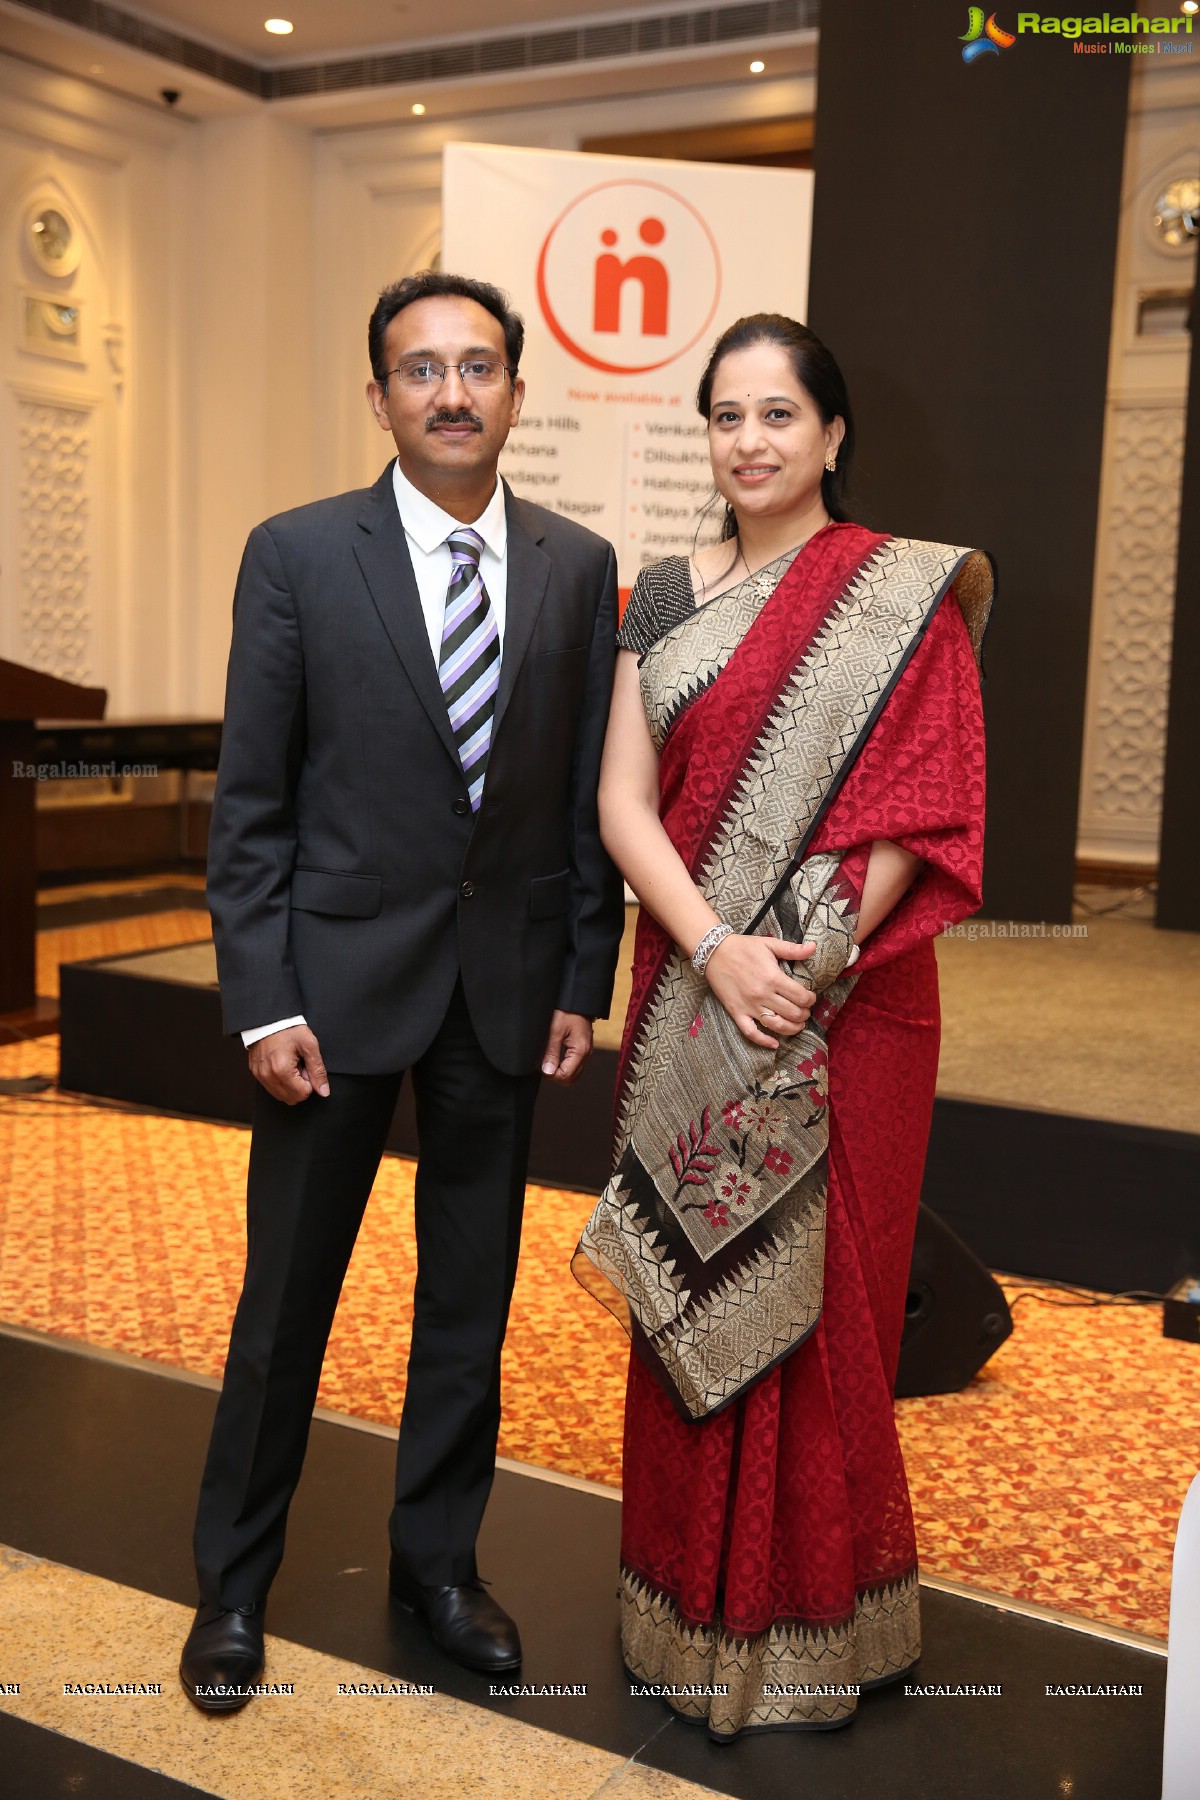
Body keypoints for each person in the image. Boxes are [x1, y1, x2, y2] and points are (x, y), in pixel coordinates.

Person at [180, 271, 624, 1712]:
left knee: (469, 1307)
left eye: (477, 365)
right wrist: (262, 999)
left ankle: (440, 1570)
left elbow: (573, 799)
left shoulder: (575, 564)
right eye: (419, 370)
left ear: (514, 387)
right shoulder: (298, 554)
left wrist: (581, 970)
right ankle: (231, 1588)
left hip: (501, 997)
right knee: (283, 1311)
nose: (451, 392)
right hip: (331, 1000)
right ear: (377, 397)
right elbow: (252, 805)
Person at [574, 314, 993, 1740]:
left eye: (778, 414)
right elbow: (622, 800)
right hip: (694, 988)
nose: (749, 440)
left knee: (832, 1309)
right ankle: (683, 1609)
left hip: (845, 1004)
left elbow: (924, 807)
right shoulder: (662, 596)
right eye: (725, 416)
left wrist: (801, 968)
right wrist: (713, 951)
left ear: (832, 434)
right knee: (693, 1280)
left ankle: (817, 1625)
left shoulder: (900, 597)